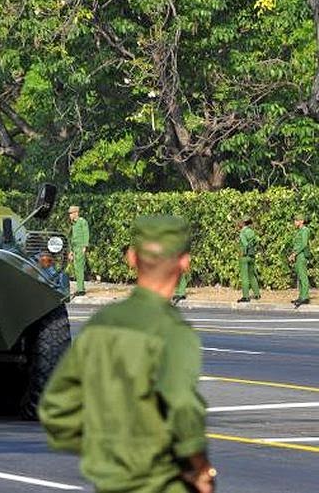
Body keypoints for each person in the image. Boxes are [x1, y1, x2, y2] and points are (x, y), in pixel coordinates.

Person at [40, 215, 215, 493]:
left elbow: (56, 411)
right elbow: (182, 406)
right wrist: (201, 466)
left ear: (132, 258)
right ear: (185, 263)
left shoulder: (101, 324)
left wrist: (108, 453)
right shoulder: (173, 332)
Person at [290, 214, 312, 308]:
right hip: (298, 255)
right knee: (299, 275)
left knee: (303, 276)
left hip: (302, 255)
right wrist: (293, 254)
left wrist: (295, 254)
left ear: (302, 221)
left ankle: (305, 297)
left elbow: (304, 244)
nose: (295, 222)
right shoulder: (300, 231)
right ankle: (301, 296)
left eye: (296, 220)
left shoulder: (305, 230)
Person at [237, 217, 260, 303]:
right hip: (252, 256)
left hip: (244, 256)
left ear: (243, 223)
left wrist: (243, 252)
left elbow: (245, 244)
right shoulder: (252, 231)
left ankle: (246, 296)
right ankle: (257, 294)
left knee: (244, 276)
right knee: (252, 275)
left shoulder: (242, 232)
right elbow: (256, 242)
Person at [67, 205, 89, 296]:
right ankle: (80, 288)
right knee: (76, 269)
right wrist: (71, 250)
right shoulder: (73, 224)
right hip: (75, 248)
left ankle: (81, 290)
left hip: (80, 247)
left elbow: (86, 233)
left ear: (76, 213)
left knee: (79, 268)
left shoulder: (82, 222)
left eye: (71, 213)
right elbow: (71, 237)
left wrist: (85, 246)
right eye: (69, 214)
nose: (70, 215)